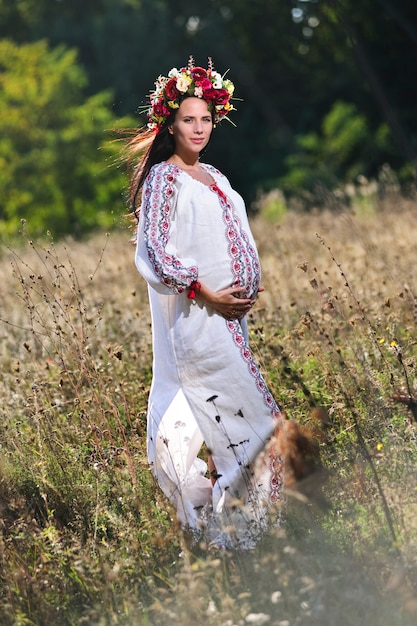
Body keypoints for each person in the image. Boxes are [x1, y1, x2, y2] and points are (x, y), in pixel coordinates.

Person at [127, 57, 285, 548]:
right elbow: (154, 251)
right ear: (170, 123)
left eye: (206, 120)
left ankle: (232, 533)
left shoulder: (215, 176)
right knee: (257, 424)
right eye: (188, 120)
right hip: (196, 324)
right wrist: (207, 291)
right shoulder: (164, 180)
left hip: (228, 327)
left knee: (239, 427)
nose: (198, 129)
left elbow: (232, 237)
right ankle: (231, 535)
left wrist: (244, 286)